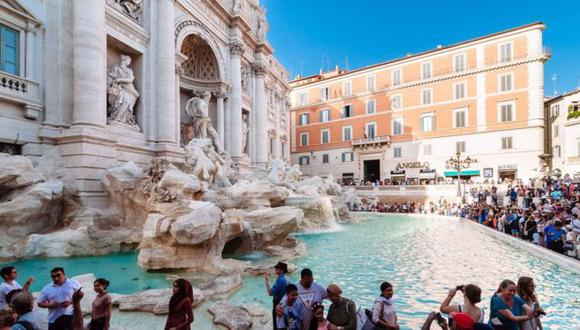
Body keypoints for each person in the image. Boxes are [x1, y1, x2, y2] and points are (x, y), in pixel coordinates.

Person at [266, 262, 290, 329]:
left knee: (277, 325)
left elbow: (270, 292)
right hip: (286, 305)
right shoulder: (287, 278)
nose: (275, 269)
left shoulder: (281, 280)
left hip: (278, 306)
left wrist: (267, 280)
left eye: (277, 268)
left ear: (282, 270)